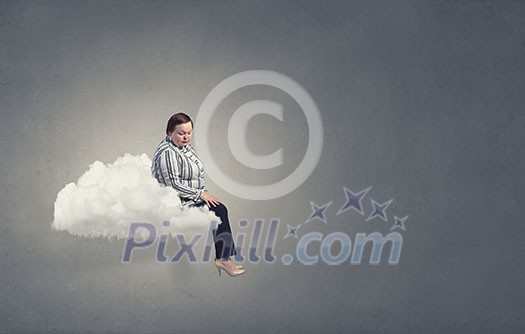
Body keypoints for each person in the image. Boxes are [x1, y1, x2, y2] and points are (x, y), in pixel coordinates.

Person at [151, 112, 245, 277]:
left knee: (219, 209)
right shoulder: (168, 152)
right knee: (220, 211)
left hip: (191, 194)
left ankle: (224, 258)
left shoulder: (184, 147)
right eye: (181, 133)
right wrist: (200, 195)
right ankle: (223, 259)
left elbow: (196, 173)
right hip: (175, 199)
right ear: (169, 132)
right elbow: (172, 185)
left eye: (189, 132)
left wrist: (203, 192)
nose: (186, 137)